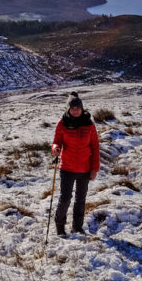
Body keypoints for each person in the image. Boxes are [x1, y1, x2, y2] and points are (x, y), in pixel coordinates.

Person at [51, 92, 100, 237]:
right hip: (67, 167)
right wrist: (55, 149)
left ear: (82, 108)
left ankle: (77, 227)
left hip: (84, 169)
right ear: (68, 109)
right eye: (72, 108)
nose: (75, 110)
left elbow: (95, 147)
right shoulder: (63, 123)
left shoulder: (89, 124)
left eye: (77, 108)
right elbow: (56, 141)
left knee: (81, 199)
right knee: (65, 198)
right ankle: (60, 225)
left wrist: (95, 168)